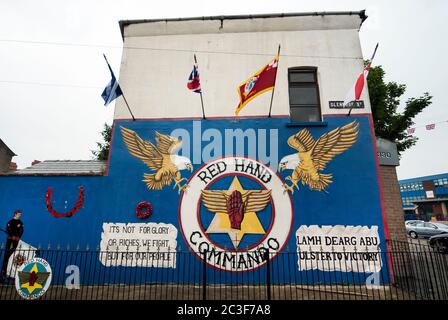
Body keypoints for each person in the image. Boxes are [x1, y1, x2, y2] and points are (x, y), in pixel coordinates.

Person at [0, 209, 24, 282]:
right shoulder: (10, 222)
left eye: (20, 214)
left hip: (16, 241)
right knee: (7, 255)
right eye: (19, 214)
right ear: (15, 214)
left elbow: (21, 230)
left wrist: (18, 236)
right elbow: (8, 229)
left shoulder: (20, 222)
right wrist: (11, 235)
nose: (20, 215)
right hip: (10, 240)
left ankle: (12, 274)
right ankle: (4, 273)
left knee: (14, 256)